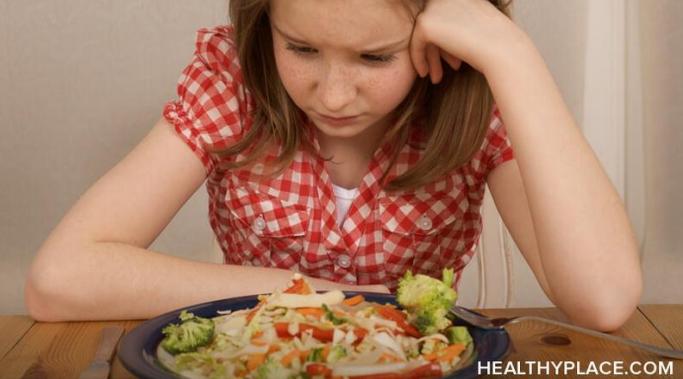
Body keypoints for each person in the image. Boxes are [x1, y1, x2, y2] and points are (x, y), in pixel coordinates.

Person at [25, 0, 641, 331]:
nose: (333, 95)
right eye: (301, 48)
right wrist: (325, 297)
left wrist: (513, 55)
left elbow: (606, 301)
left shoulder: (473, 94)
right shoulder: (232, 82)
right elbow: (59, 280)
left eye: (375, 57)